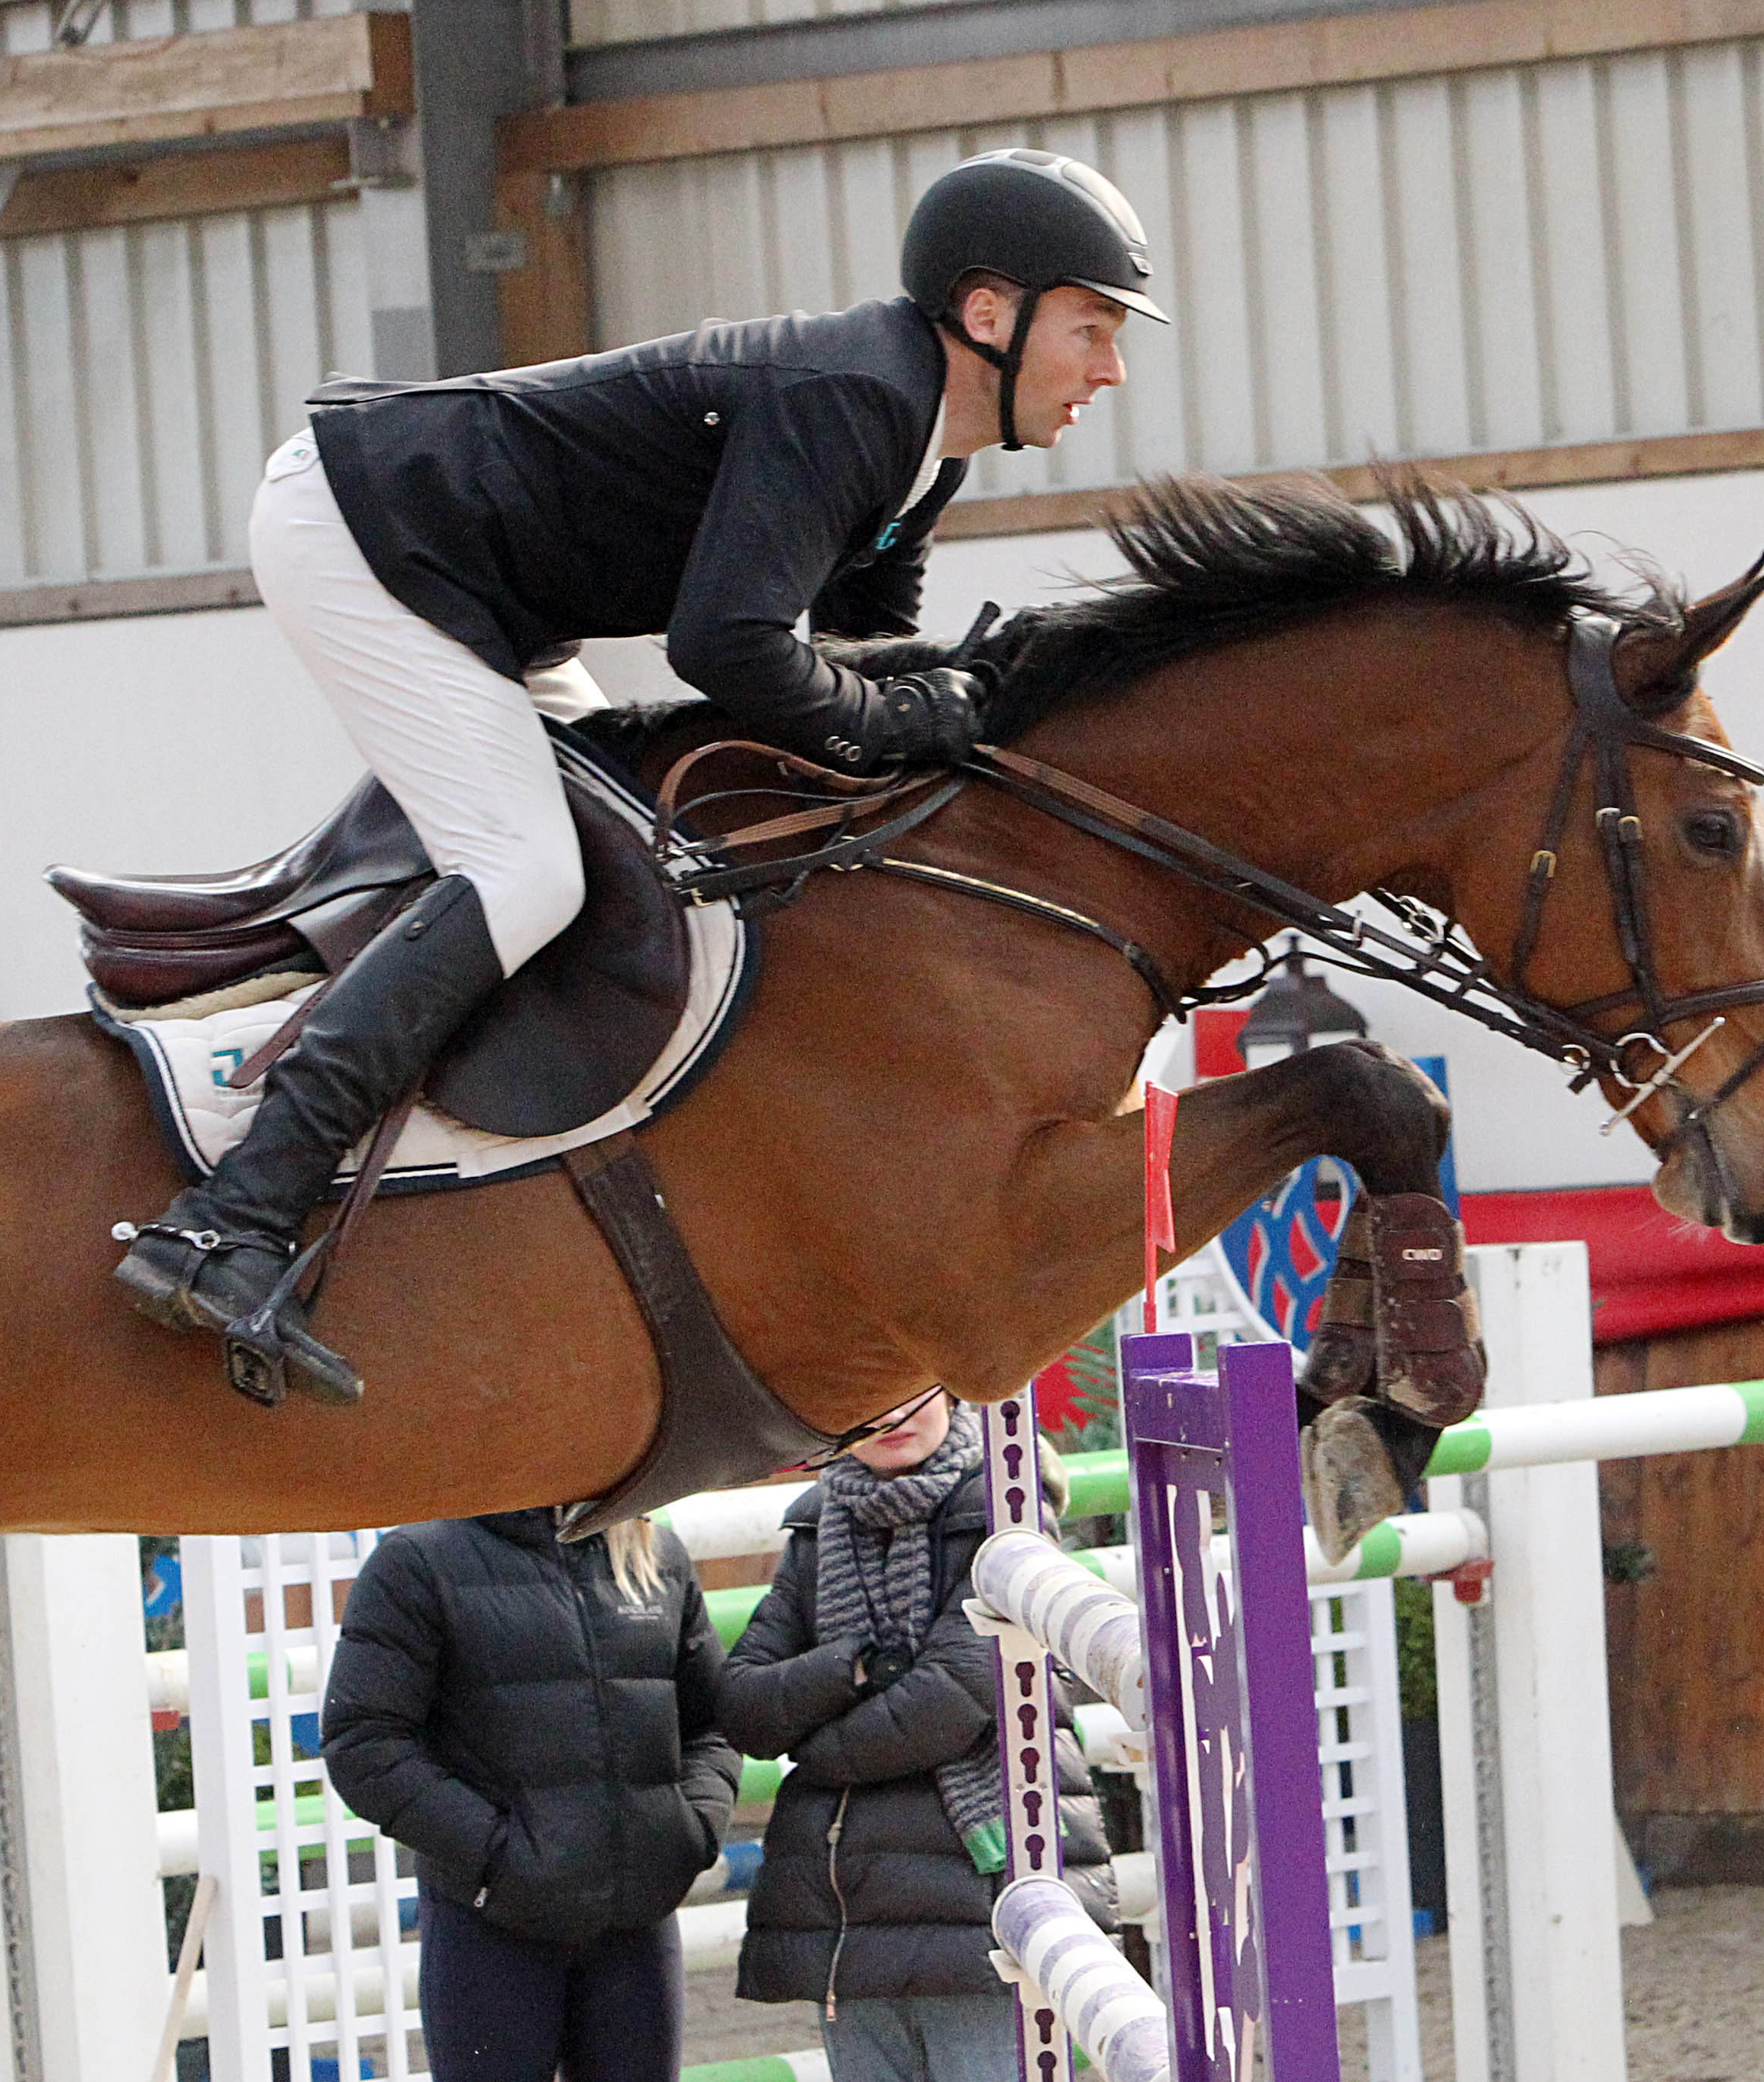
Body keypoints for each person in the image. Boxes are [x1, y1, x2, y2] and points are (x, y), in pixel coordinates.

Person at [111, 150, 1168, 1401]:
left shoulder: (922, 440)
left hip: (490, 589)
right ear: (988, 315)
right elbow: (727, 646)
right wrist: (900, 719)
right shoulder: (854, 397)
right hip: (367, 532)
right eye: (1091, 328)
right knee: (524, 874)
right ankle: (229, 1218)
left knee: (647, 859)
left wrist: (984, 703)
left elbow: (859, 660)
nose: (1107, 367)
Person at [724, 1389, 1115, 2080]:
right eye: (863, 1401)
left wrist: (813, 1750)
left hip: (983, 1899)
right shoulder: (819, 1530)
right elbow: (746, 1704)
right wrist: (855, 1667)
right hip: (851, 1911)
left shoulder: (1005, 1514)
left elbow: (955, 1698)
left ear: (951, 1388)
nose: (890, 1419)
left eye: (908, 1395)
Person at [320, 1508, 742, 2082]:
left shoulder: (656, 1555)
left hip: (635, 1928)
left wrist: (688, 1831)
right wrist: (501, 1857)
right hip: (492, 1928)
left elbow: (711, 1724)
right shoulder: (420, 1561)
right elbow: (364, 1741)